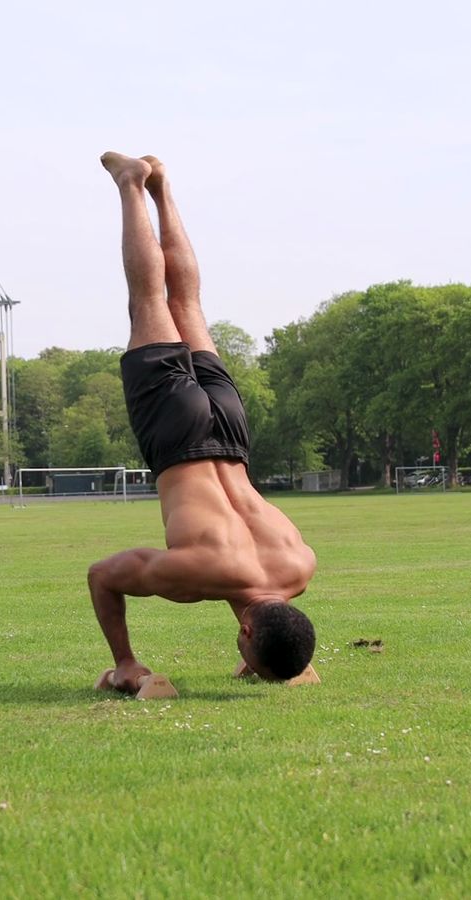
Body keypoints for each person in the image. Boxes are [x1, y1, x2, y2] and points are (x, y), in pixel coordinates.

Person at [88, 151, 317, 692]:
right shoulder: (199, 574)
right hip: (176, 434)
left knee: (187, 301)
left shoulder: (299, 567)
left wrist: (272, 654)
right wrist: (125, 663)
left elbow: (249, 584)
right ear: (245, 630)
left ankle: (162, 187)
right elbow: (102, 577)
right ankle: (129, 184)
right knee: (149, 299)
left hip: (231, 433)